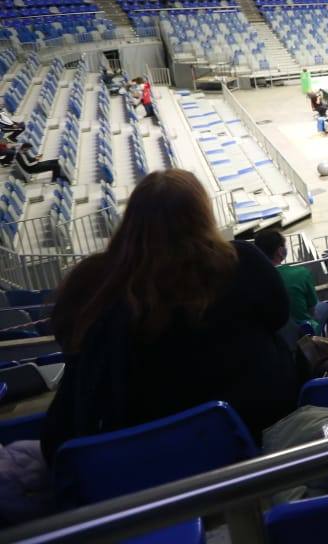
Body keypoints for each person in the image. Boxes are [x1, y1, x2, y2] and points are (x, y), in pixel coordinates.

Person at [41, 170, 298, 459]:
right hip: (249, 430)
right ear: (203, 216)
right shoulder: (240, 261)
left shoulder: (90, 283)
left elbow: (69, 344)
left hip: (135, 456)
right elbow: (278, 317)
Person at [255, 228, 322, 333]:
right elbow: (312, 310)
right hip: (304, 334)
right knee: (326, 307)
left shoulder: (252, 281)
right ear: (280, 251)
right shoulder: (301, 273)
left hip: (274, 338)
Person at [6, 140, 70, 183]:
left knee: (55, 161)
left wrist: (36, 158)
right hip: (32, 169)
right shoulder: (20, 155)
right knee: (55, 166)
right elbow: (28, 165)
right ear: (24, 148)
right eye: (28, 148)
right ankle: (55, 179)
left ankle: (59, 175)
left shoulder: (24, 151)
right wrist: (36, 160)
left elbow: (30, 159)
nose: (28, 150)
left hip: (35, 164)